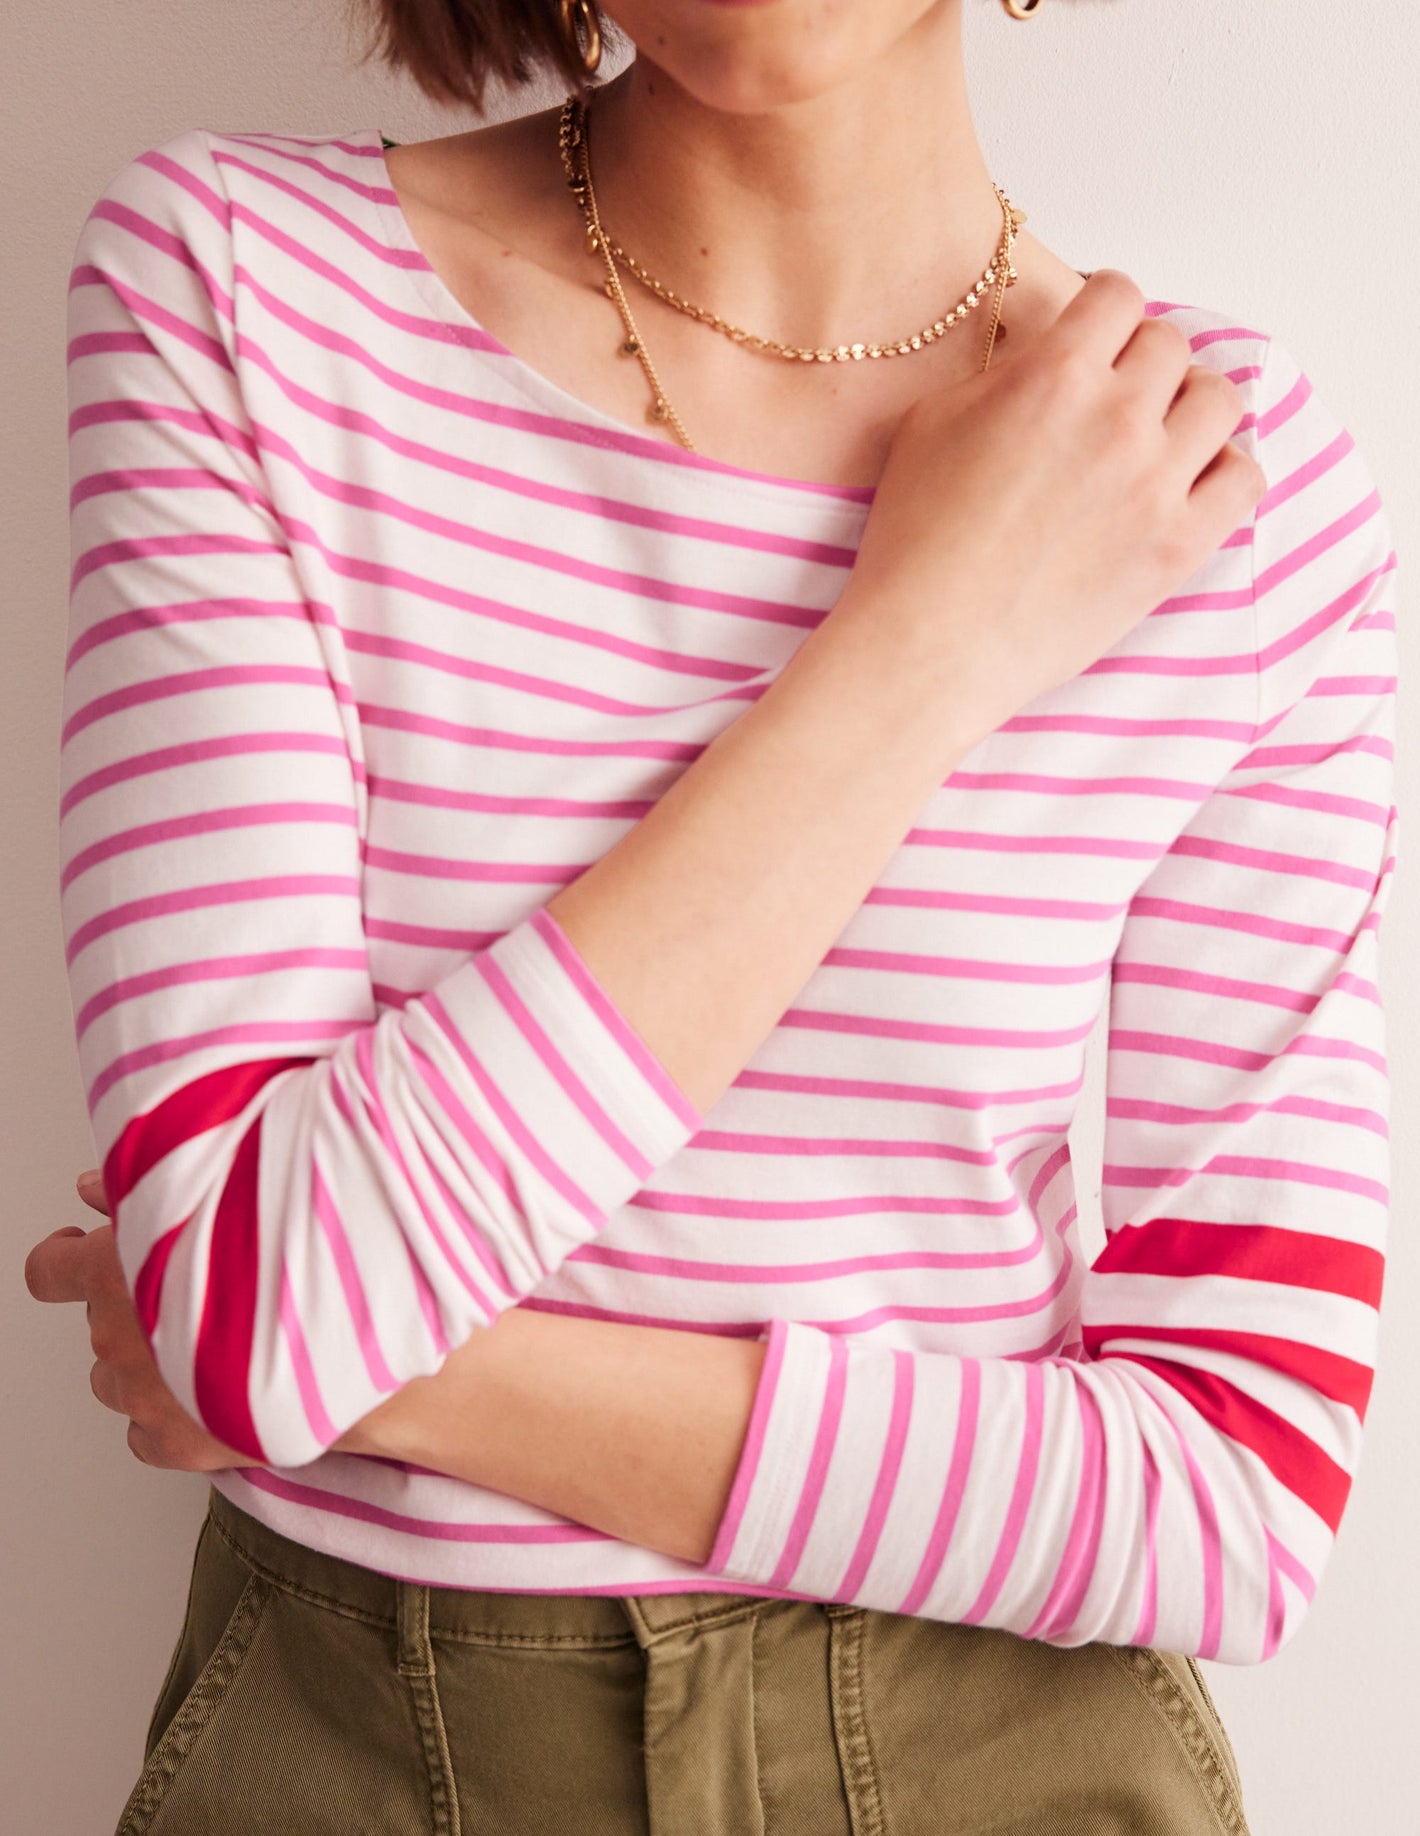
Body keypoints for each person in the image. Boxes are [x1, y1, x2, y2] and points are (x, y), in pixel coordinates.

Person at [27, 0, 1399, 1830]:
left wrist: (368, 1367)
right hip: (364, 1743)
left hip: (1004, 1754)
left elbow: (1238, 1493)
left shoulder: (1222, 477)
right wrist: (926, 647)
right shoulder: (239, 288)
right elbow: (252, 1317)